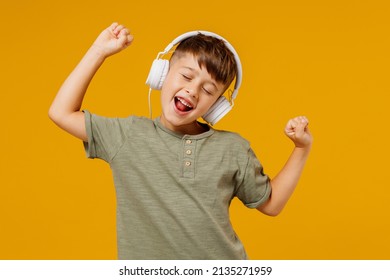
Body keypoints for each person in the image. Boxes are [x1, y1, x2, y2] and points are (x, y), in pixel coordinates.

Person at [49, 22, 312, 260]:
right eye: (186, 77)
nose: (192, 90)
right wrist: (99, 51)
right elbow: (60, 113)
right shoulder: (127, 135)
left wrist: (302, 148)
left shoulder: (232, 148)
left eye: (208, 90)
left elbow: (272, 204)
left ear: (217, 105)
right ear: (161, 74)